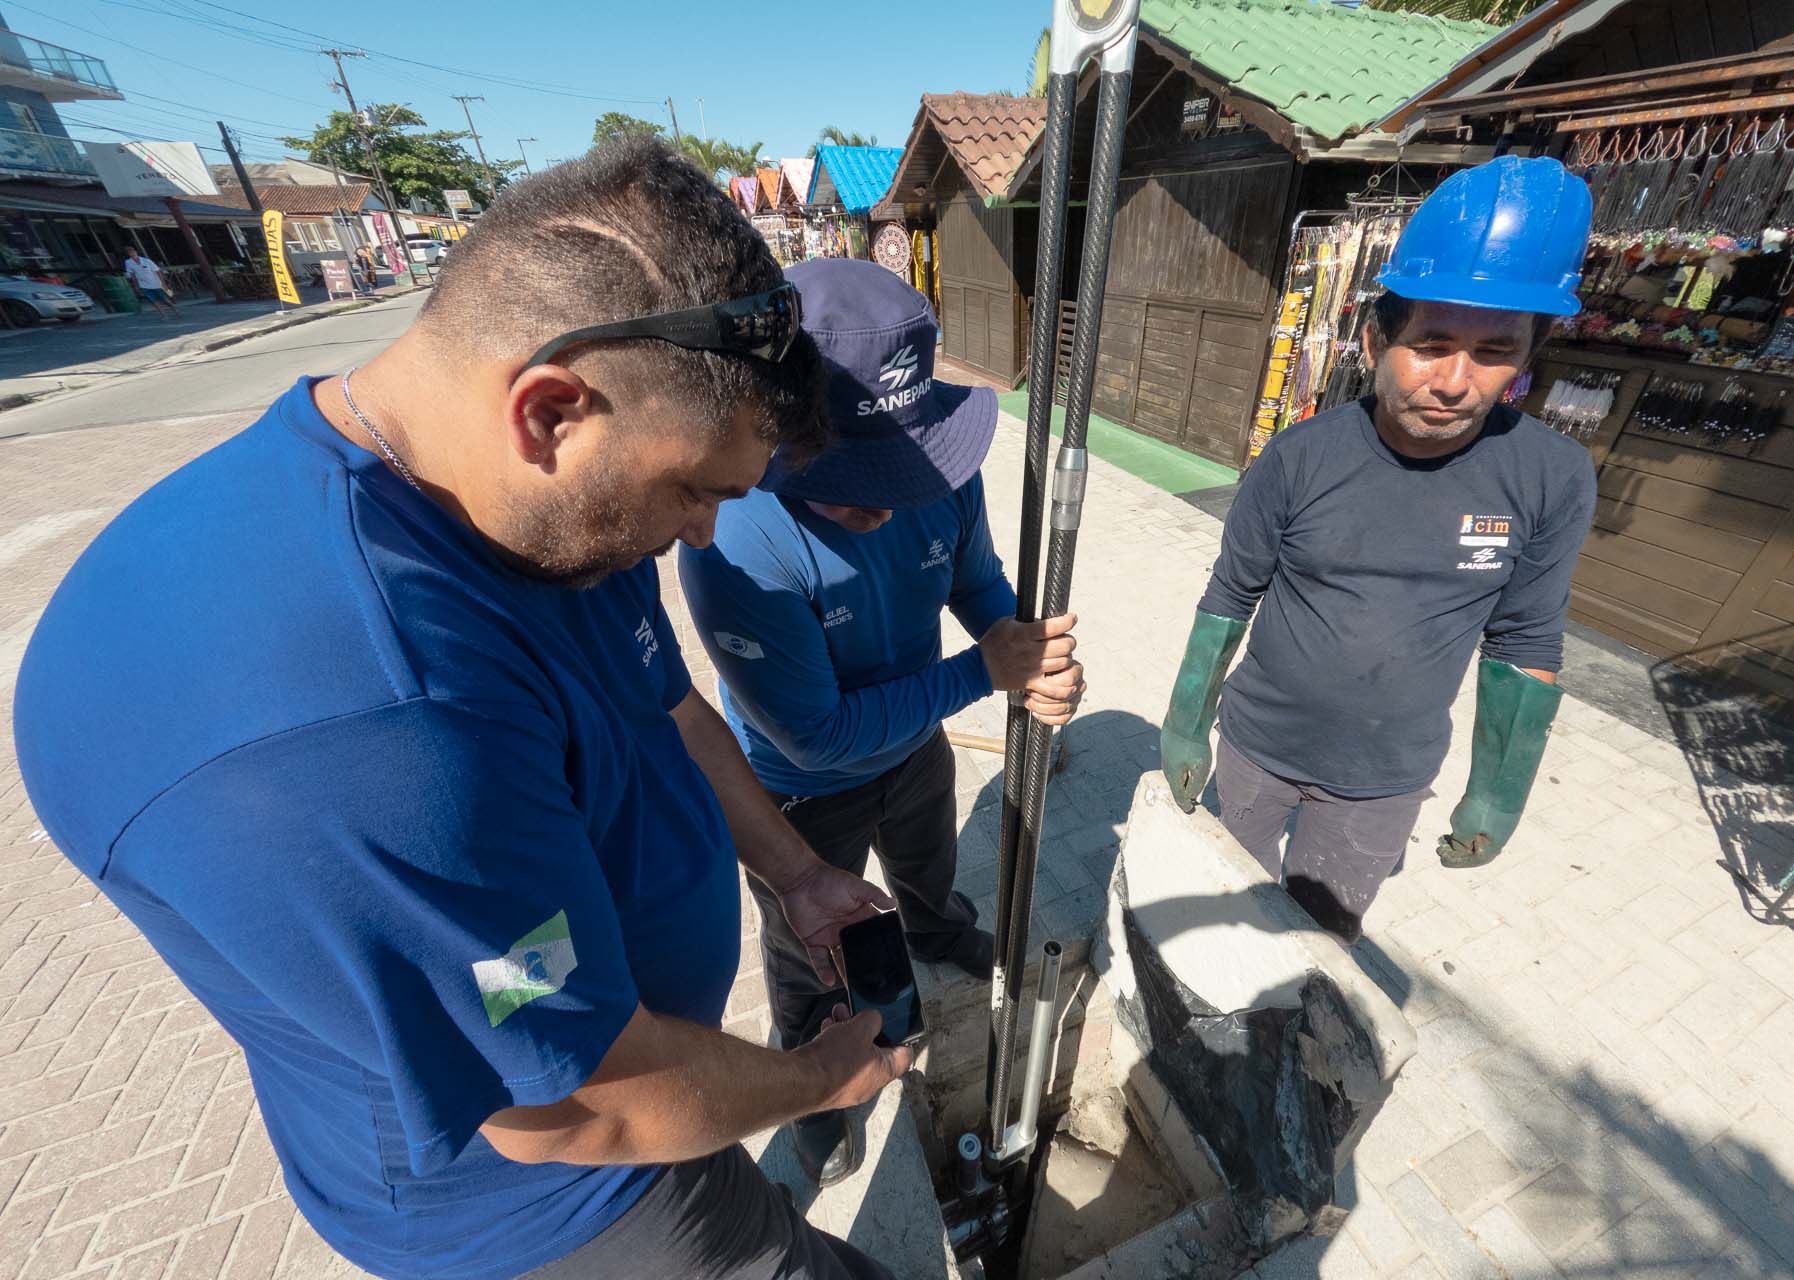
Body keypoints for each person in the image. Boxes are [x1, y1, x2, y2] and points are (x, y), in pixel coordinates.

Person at [17, 140, 912, 1280]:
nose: (700, 535)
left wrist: (796, 873)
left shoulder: (542, 510)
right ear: (551, 409)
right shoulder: (363, 729)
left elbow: (663, 698)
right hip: (552, 1206)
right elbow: (582, 1106)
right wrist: (817, 1079)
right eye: (696, 492)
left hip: (645, 1099)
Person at [678, 258, 1085, 1188]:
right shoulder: (737, 545)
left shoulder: (938, 472)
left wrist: (1025, 653)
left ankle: (935, 931)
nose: (879, 505)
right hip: (800, 794)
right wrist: (983, 672)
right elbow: (815, 735)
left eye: (894, 477)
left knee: (927, 865)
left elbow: (975, 580)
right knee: (813, 950)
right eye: (848, 481)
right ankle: (817, 1085)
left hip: (917, 742)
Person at [1159, 155, 1599, 945]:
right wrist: (1187, 721)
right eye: (1432, 343)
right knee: (1224, 919)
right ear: (1374, 341)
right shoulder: (1298, 457)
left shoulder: (1552, 476)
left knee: (1319, 946)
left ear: (1526, 357)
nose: (1456, 380)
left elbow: (1526, 642)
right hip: (1258, 747)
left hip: (1384, 780)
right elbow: (1231, 592)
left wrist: (1499, 791)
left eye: (1494, 351)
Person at [123, 245, 181, 318]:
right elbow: (132, 275)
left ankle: (175, 311)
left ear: (135, 252)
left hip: (156, 283)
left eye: (132, 252)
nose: (132, 254)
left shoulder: (146, 260)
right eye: (129, 253)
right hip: (144, 285)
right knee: (153, 301)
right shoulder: (128, 262)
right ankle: (164, 315)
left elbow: (157, 271)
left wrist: (163, 283)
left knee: (164, 300)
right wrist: (136, 286)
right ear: (128, 254)